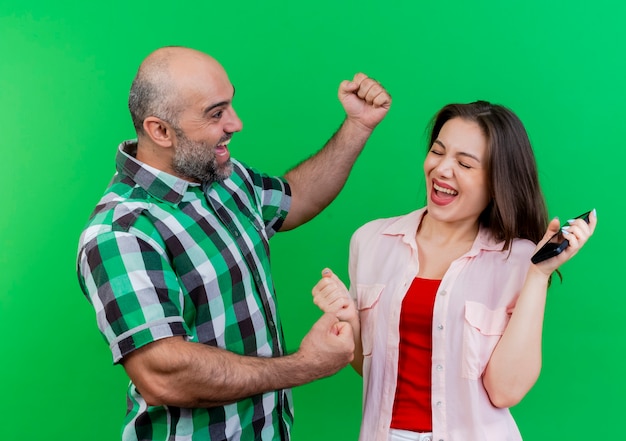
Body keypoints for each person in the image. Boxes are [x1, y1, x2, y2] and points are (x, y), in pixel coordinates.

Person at [76, 46, 391, 441]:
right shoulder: (121, 232)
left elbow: (296, 198)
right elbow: (164, 375)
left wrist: (357, 126)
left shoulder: (222, 176)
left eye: (230, 106)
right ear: (160, 131)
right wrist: (306, 365)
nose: (236, 123)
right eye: (216, 113)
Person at [312, 101, 597, 441]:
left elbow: (506, 391)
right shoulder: (371, 241)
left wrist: (538, 274)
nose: (442, 169)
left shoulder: (520, 260)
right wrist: (349, 320)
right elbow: (370, 369)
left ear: (497, 182)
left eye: (464, 163)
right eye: (437, 151)